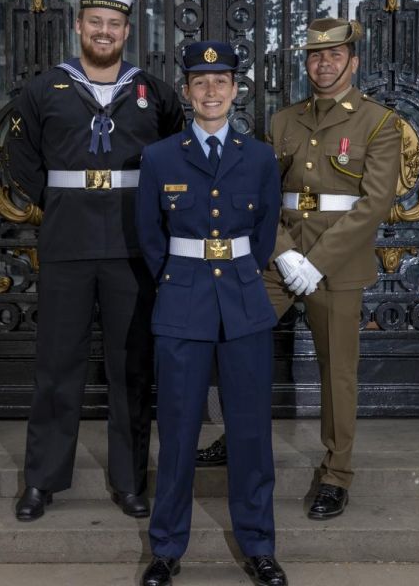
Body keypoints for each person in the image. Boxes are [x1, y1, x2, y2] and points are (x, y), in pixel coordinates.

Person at [195, 17, 401, 520]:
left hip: (338, 262)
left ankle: (336, 473)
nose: (323, 63)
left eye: (333, 56)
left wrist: (318, 262)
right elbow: (266, 193)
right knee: (238, 340)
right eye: (314, 56)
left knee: (338, 371)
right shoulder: (285, 120)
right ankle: (238, 434)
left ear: (352, 62)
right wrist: (284, 251)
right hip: (280, 254)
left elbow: (374, 204)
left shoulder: (378, 122)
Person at [8, 0, 184, 522]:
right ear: (79, 27)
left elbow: (175, 153)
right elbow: (21, 157)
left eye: (114, 23)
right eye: (95, 22)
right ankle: (42, 481)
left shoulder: (154, 92)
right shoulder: (44, 89)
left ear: (127, 32)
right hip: (67, 243)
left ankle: (131, 481)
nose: (104, 31)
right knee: (57, 367)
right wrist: (57, 202)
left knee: (132, 367)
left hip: (133, 245)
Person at [136, 42, 287, 586]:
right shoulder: (160, 158)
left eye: (221, 81)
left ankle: (259, 546)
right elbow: (151, 239)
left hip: (244, 304)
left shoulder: (261, 156)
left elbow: (264, 233)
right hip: (183, 303)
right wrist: (179, 281)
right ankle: (166, 548)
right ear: (187, 91)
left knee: (250, 433)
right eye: (200, 82)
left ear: (236, 90)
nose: (211, 91)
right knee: (177, 432)